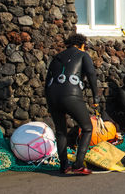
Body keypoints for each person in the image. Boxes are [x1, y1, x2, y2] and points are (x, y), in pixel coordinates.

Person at [45, 33, 98, 175]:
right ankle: (78, 164)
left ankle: (64, 166)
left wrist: (50, 101)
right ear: (82, 45)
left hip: (52, 95)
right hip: (71, 94)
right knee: (87, 128)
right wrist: (96, 97)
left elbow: (47, 80)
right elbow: (91, 74)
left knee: (61, 131)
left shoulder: (56, 57)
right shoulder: (83, 55)